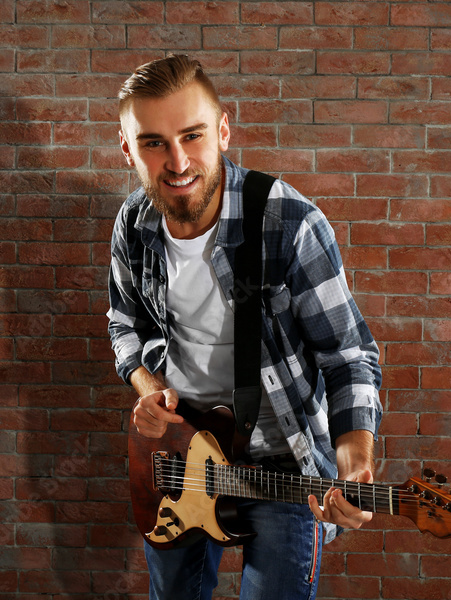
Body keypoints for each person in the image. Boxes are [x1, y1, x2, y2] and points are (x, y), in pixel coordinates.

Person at [106, 54, 382, 600]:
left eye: (192, 135)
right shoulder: (133, 224)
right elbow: (125, 327)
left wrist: (354, 466)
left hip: (285, 465)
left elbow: (347, 358)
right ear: (128, 149)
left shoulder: (289, 223)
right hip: (180, 459)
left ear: (223, 131)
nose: (177, 161)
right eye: (154, 142)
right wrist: (148, 389)